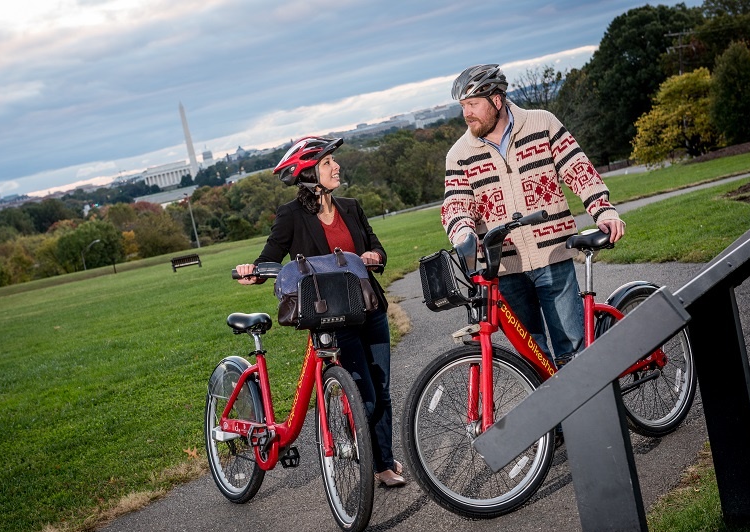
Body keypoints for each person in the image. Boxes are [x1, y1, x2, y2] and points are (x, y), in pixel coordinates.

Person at [235, 136, 406, 487]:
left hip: (368, 308)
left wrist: (375, 256)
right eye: (328, 163)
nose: (336, 166)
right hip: (329, 314)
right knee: (364, 394)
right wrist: (251, 271)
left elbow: (376, 248)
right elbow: (270, 257)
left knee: (382, 388)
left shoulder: (351, 206)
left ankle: (383, 462)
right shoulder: (291, 215)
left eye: (333, 161)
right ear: (309, 173)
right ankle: (364, 455)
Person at [441, 64, 626, 367]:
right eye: (463, 106)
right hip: (504, 268)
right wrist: (463, 232)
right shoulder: (459, 153)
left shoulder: (542, 123)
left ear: (496, 100)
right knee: (533, 360)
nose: (466, 113)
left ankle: (593, 409)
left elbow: (578, 170)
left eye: (472, 104)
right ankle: (557, 415)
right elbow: (456, 204)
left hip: (553, 256)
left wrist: (603, 209)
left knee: (573, 351)